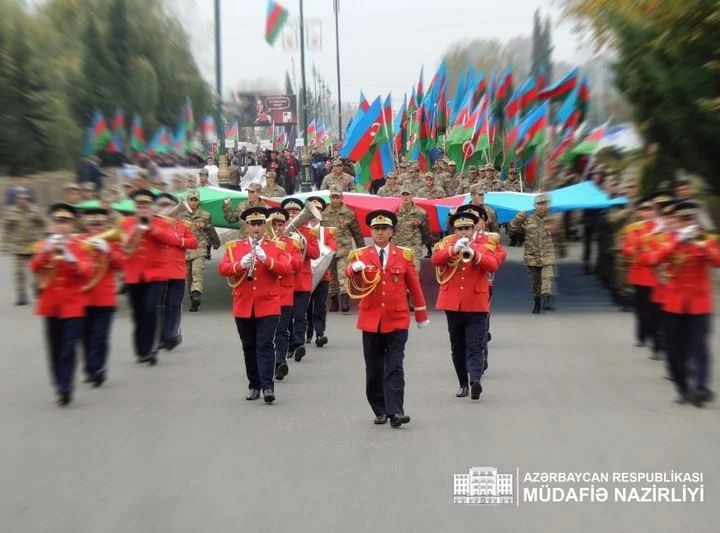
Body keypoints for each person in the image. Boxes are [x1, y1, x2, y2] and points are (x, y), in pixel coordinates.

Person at [346, 209, 430, 427]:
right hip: (371, 320)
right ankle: (380, 408)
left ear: (392, 232)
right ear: (371, 232)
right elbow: (350, 277)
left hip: (397, 319)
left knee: (395, 366)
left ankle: (396, 411)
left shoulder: (404, 255)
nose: (380, 233)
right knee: (374, 369)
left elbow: (414, 286)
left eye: (384, 229)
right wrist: (353, 269)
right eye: (376, 229)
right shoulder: (360, 255)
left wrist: (421, 314)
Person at [643, 200, 720, 406]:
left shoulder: (706, 239)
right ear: (675, 220)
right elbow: (653, 259)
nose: (687, 223)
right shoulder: (665, 238)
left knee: (700, 347)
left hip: (699, 303)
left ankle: (701, 387)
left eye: (690, 219)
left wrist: (703, 247)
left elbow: (717, 261)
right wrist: (678, 242)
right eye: (683, 219)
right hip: (673, 303)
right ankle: (683, 387)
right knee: (676, 351)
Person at [217, 207, 293, 403]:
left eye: (260, 224)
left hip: (268, 304)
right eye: (253, 224)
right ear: (247, 226)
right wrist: (239, 265)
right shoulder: (235, 247)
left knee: (265, 344)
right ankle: (254, 385)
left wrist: (266, 259)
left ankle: (268, 386)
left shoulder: (276, 246)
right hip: (243, 304)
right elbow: (223, 268)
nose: (257, 228)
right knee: (249, 347)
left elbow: (286, 269)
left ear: (264, 225)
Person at [432, 210, 501, 399]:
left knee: (474, 345)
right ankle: (463, 383)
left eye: (467, 228)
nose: (463, 232)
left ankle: (475, 380)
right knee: (457, 347)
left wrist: (475, 254)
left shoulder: (485, 245)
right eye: (459, 229)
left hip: (476, 303)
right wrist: (454, 249)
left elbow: (493, 264)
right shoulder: (446, 244)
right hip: (453, 304)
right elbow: (435, 259)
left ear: (473, 229)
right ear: (454, 230)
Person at [29, 204, 92, 406]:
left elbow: (87, 271)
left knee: (68, 347)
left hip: (73, 306)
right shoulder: (44, 245)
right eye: (57, 222)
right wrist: (47, 250)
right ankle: (59, 385)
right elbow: (34, 267)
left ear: (71, 224)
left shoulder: (80, 245)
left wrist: (68, 254)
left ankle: (66, 387)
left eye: (65, 222)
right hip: (50, 305)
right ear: (52, 223)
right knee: (55, 347)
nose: (61, 226)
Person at [122, 189, 189, 365]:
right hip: (134, 276)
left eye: (145, 205)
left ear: (150, 207)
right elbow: (125, 248)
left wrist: (150, 227)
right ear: (135, 207)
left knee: (151, 310)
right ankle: (141, 349)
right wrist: (136, 230)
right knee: (138, 313)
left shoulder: (159, 222)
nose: (142, 208)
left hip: (155, 275)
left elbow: (169, 239)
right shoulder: (127, 223)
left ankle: (151, 350)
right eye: (139, 205)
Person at [77, 208, 125, 387]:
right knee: (85, 335)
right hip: (83, 297)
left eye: (99, 223)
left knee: (100, 335)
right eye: (92, 223)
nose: (96, 227)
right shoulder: (79, 241)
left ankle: (98, 369)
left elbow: (121, 263)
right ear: (86, 225)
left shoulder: (112, 242)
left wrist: (108, 251)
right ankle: (90, 367)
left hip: (105, 297)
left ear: (105, 225)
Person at [154, 193, 198, 351]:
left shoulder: (184, 225)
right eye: (162, 204)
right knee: (159, 306)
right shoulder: (156, 223)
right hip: (159, 272)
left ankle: (170, 334)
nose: (166, 208)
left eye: (169, 205)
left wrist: (179, 241)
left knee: (173, 305)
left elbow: (193, 243)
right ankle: (159, 337)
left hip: (177, 271)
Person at [508, 193, 563, 313]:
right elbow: (512, 229)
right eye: (539, 204)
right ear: (534, 205)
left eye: (543, 203)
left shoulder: (553, 219)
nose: (541, 206)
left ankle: (547, 299)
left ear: (547, 205)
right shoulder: (527, 219)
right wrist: (518, 218)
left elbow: (560, 236)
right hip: (532, 256)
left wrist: (562, 250)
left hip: (548, 254)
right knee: (535, 282)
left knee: (547, 277)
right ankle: (537, 302)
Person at [281, 198, 321, 362]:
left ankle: (298, 344)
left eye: (295, 212)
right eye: (289, 212)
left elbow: (316, 253)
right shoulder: (279, 231)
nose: (292, 215)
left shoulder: (309, 232)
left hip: (302, 281)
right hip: (286, 279)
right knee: (286, 316)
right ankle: (290, 345)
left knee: (299, 314)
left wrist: (303, 245)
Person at [265, 207, 300, 381]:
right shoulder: (262, 244)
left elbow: (297, 265)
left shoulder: (292, 243)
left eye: (281, 224)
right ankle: (268, 362)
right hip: (266, 293)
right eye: (274, 224)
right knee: (267, 333)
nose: (278, 228)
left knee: (281, 329)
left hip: (285, 293)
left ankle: (280, 362)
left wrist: (283, 251)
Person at [322, 185, 365, 313]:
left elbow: (357, 233)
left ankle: (344, 302)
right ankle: (334, 302)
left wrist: (361, 251)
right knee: (331, 278)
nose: (335, 200)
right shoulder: (324, 213)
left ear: (342, 198)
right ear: (330, 198)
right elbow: (320, 232)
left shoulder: (349, 213)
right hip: (329, 250)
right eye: (333, 197)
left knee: (343, 275)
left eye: (337, 197)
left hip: (344, 248)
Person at [2, 187, 46, 305]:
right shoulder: (10, 212)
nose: (22, 201)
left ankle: (38, 291)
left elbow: (44, 224)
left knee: (37, 271)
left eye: (25, 198)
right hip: (18, 246)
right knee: (18, 272)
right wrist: (4, 244)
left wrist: (42, 239)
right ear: (16, 199)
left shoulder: (35, 211)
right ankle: (21, 294)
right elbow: (5, 228)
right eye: (20, 198)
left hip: (33, 246)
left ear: (29, 199)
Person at [304, 196, 337, 348]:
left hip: (322, 275)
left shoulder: (328, 232)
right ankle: (308, 331)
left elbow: (332, 249)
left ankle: (320, 333)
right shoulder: (302, 231)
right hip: (304, 275)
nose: (314, 215)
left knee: (320, 305)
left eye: (318, 211)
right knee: (305, 305)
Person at [182, 189, 221, 312]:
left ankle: (196, 294)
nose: (193, 202)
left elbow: (210, 230)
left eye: (195, 200)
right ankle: (192, 297)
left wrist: (216, 242)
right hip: (185, 250)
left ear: (199, 201)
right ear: (187, 201)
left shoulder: (205, 215)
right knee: (188, 277)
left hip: (199, 248)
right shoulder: (181, 215)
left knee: (197, 273)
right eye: (191, 200)